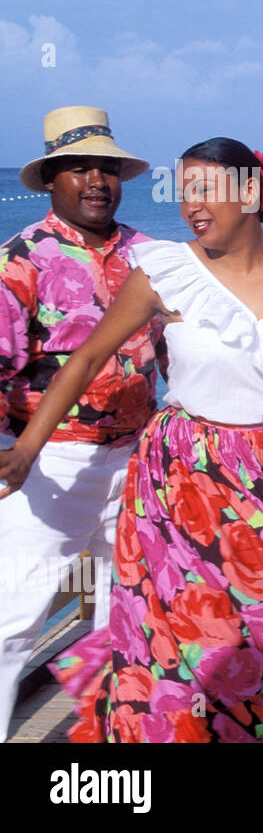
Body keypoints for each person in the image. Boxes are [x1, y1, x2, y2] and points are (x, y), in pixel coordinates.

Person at [11, 136, 263, 742]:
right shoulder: (167, 271)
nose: (191, 204)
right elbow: (88, 357)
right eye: (184, 190)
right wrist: (25, 448)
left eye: (207, 189)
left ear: (251, 192)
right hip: (179, 472)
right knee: (175, 634)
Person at [0, 106, 165, 744]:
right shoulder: (20, 260)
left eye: (107, 168)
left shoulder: (152, 257)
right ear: (50, 181)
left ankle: (111, 744)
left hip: (140, 458)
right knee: (13, 620)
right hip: (46, 466)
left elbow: (179, 348)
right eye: (78, 169)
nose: (96, 180)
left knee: (129, 611)